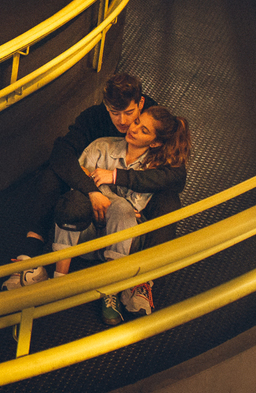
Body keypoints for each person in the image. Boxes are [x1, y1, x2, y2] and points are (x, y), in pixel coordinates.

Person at [2, 73, 186, 290]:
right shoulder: (94, 119)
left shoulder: (153, 119)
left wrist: (119, 179)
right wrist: (91, 190)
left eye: (130, 114)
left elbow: (176, 176)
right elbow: (62, 154)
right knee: (51, 175)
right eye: (114, 113)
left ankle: (145, 281)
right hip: (92, 189)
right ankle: (29, 258)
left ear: (141, 104)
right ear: (106, 107)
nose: (125, 122)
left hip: (133, 194)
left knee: (169, 201)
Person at [51, 105, 191, 325]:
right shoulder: (102, 146)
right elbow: (78, 182)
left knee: (122, 210)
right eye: (137, 122)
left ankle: (111, 290)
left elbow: (133, 208)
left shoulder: (154, 168)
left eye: (144, 130)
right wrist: (94, 193)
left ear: (154, 143)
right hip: (86, 237)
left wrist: (106, 184)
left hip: (124, 242)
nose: (133, 129)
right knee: (74, 201)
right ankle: (58, 280)